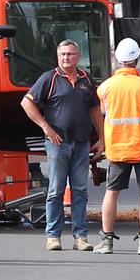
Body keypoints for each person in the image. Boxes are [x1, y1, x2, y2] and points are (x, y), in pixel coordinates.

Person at [20, 39, 104, 251]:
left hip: (82, 143)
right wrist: (46, 128)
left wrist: (103, 138)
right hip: (58, 145)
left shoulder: (86, 79)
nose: (66, 58)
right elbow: (26, 102)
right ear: (58, 57)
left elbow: (95, 109)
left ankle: (81, 237)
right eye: (63, 55)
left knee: (80, 191)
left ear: (78, 56)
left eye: (70, 54)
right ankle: (53, 236)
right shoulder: (49, 78)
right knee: (56, 191)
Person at [96, 38, 140, 255]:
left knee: (111, 193)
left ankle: (106, 241)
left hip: (117, 149)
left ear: (118, 60)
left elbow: (104, 111)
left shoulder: (105, 87)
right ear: (137, 59)